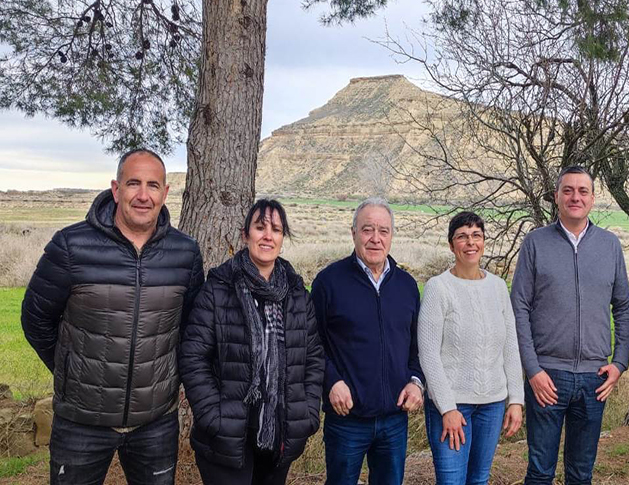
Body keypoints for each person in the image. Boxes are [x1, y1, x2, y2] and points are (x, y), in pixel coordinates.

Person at [21, 149, 204, 485]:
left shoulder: (185, 253)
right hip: (81, 422)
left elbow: (191, 329)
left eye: (153, 185)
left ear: (165, 193)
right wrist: (71, 369)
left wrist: (168, 378)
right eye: (133, 183)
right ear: (116, 189)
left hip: (156, 422)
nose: (143, 195)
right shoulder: (71, 245)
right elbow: (35, 319)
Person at [179, 199, 324, 484]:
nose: (268, 236)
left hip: (280, 434)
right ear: (245, 234)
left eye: (277, 230)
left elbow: (313, 357)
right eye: (260, 228)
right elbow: (193, 358)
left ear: (283, 238)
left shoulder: (296, 294)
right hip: (227, 437)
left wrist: (306, 413)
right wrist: (214, 417)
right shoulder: (218, 290)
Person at [511, 165, 629, 484]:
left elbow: (624, 305)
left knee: (581, 473)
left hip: (595, 378)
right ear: (556, 197)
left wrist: (619, 362)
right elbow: (519, 307)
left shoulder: (609, 246)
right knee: (540, 471)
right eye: (568, 190)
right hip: (547, 376)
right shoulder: (535, 243)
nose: (575, 197)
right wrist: (533, 369)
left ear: (593, 199)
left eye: (582, 191)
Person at [311, 197, 424, 485]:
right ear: (353, 233)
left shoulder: (407, 286)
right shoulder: (328, 282)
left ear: (391, 236)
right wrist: (332, 382)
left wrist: (416, 381)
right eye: (367, 230)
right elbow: (312, 344)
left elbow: (416, 347)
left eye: (383, 231)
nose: (375, 239)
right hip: (346, 419)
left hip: (394, 421)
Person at [418, 211, 524, 485]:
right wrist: (447, 408)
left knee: (479, 480)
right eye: (462, 237)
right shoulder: (438, 288)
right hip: (453, 405)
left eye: (476, 235)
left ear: (484, 242)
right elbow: (428, 354)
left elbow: (511, 346)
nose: (470, 243)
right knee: (452, 481)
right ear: (451, 245)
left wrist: (515, 399)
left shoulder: (499, 287)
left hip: (492, 403)